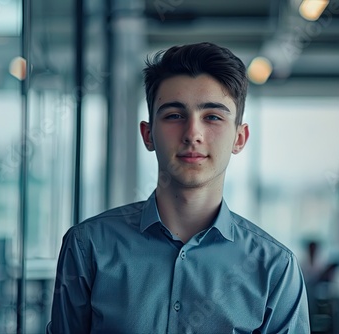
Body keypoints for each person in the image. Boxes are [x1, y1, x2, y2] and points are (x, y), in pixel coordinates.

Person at [47, 42, 310, 333]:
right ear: (148, 135)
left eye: (212, 117)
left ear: (239, 138)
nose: (192, 134)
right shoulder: (89, 247)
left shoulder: (275, 268)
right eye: (174, 115)